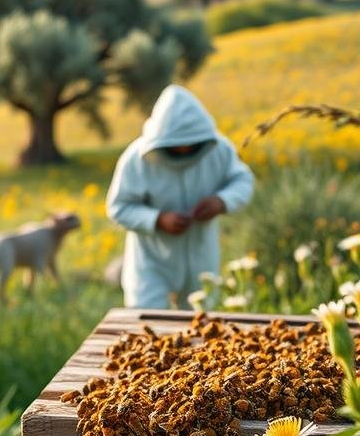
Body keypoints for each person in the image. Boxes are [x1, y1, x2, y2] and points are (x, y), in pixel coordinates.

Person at [106, 84, 254, 309]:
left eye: (191, 144)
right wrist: (157, 219)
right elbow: (118, 207)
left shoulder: (220, 150)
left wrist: (221, 201)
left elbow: (243, 181)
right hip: (151, 262)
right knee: (146, 325)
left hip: (201, 256)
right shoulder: (135, 159)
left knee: (201, 327)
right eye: (175, 145)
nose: (184, 149)